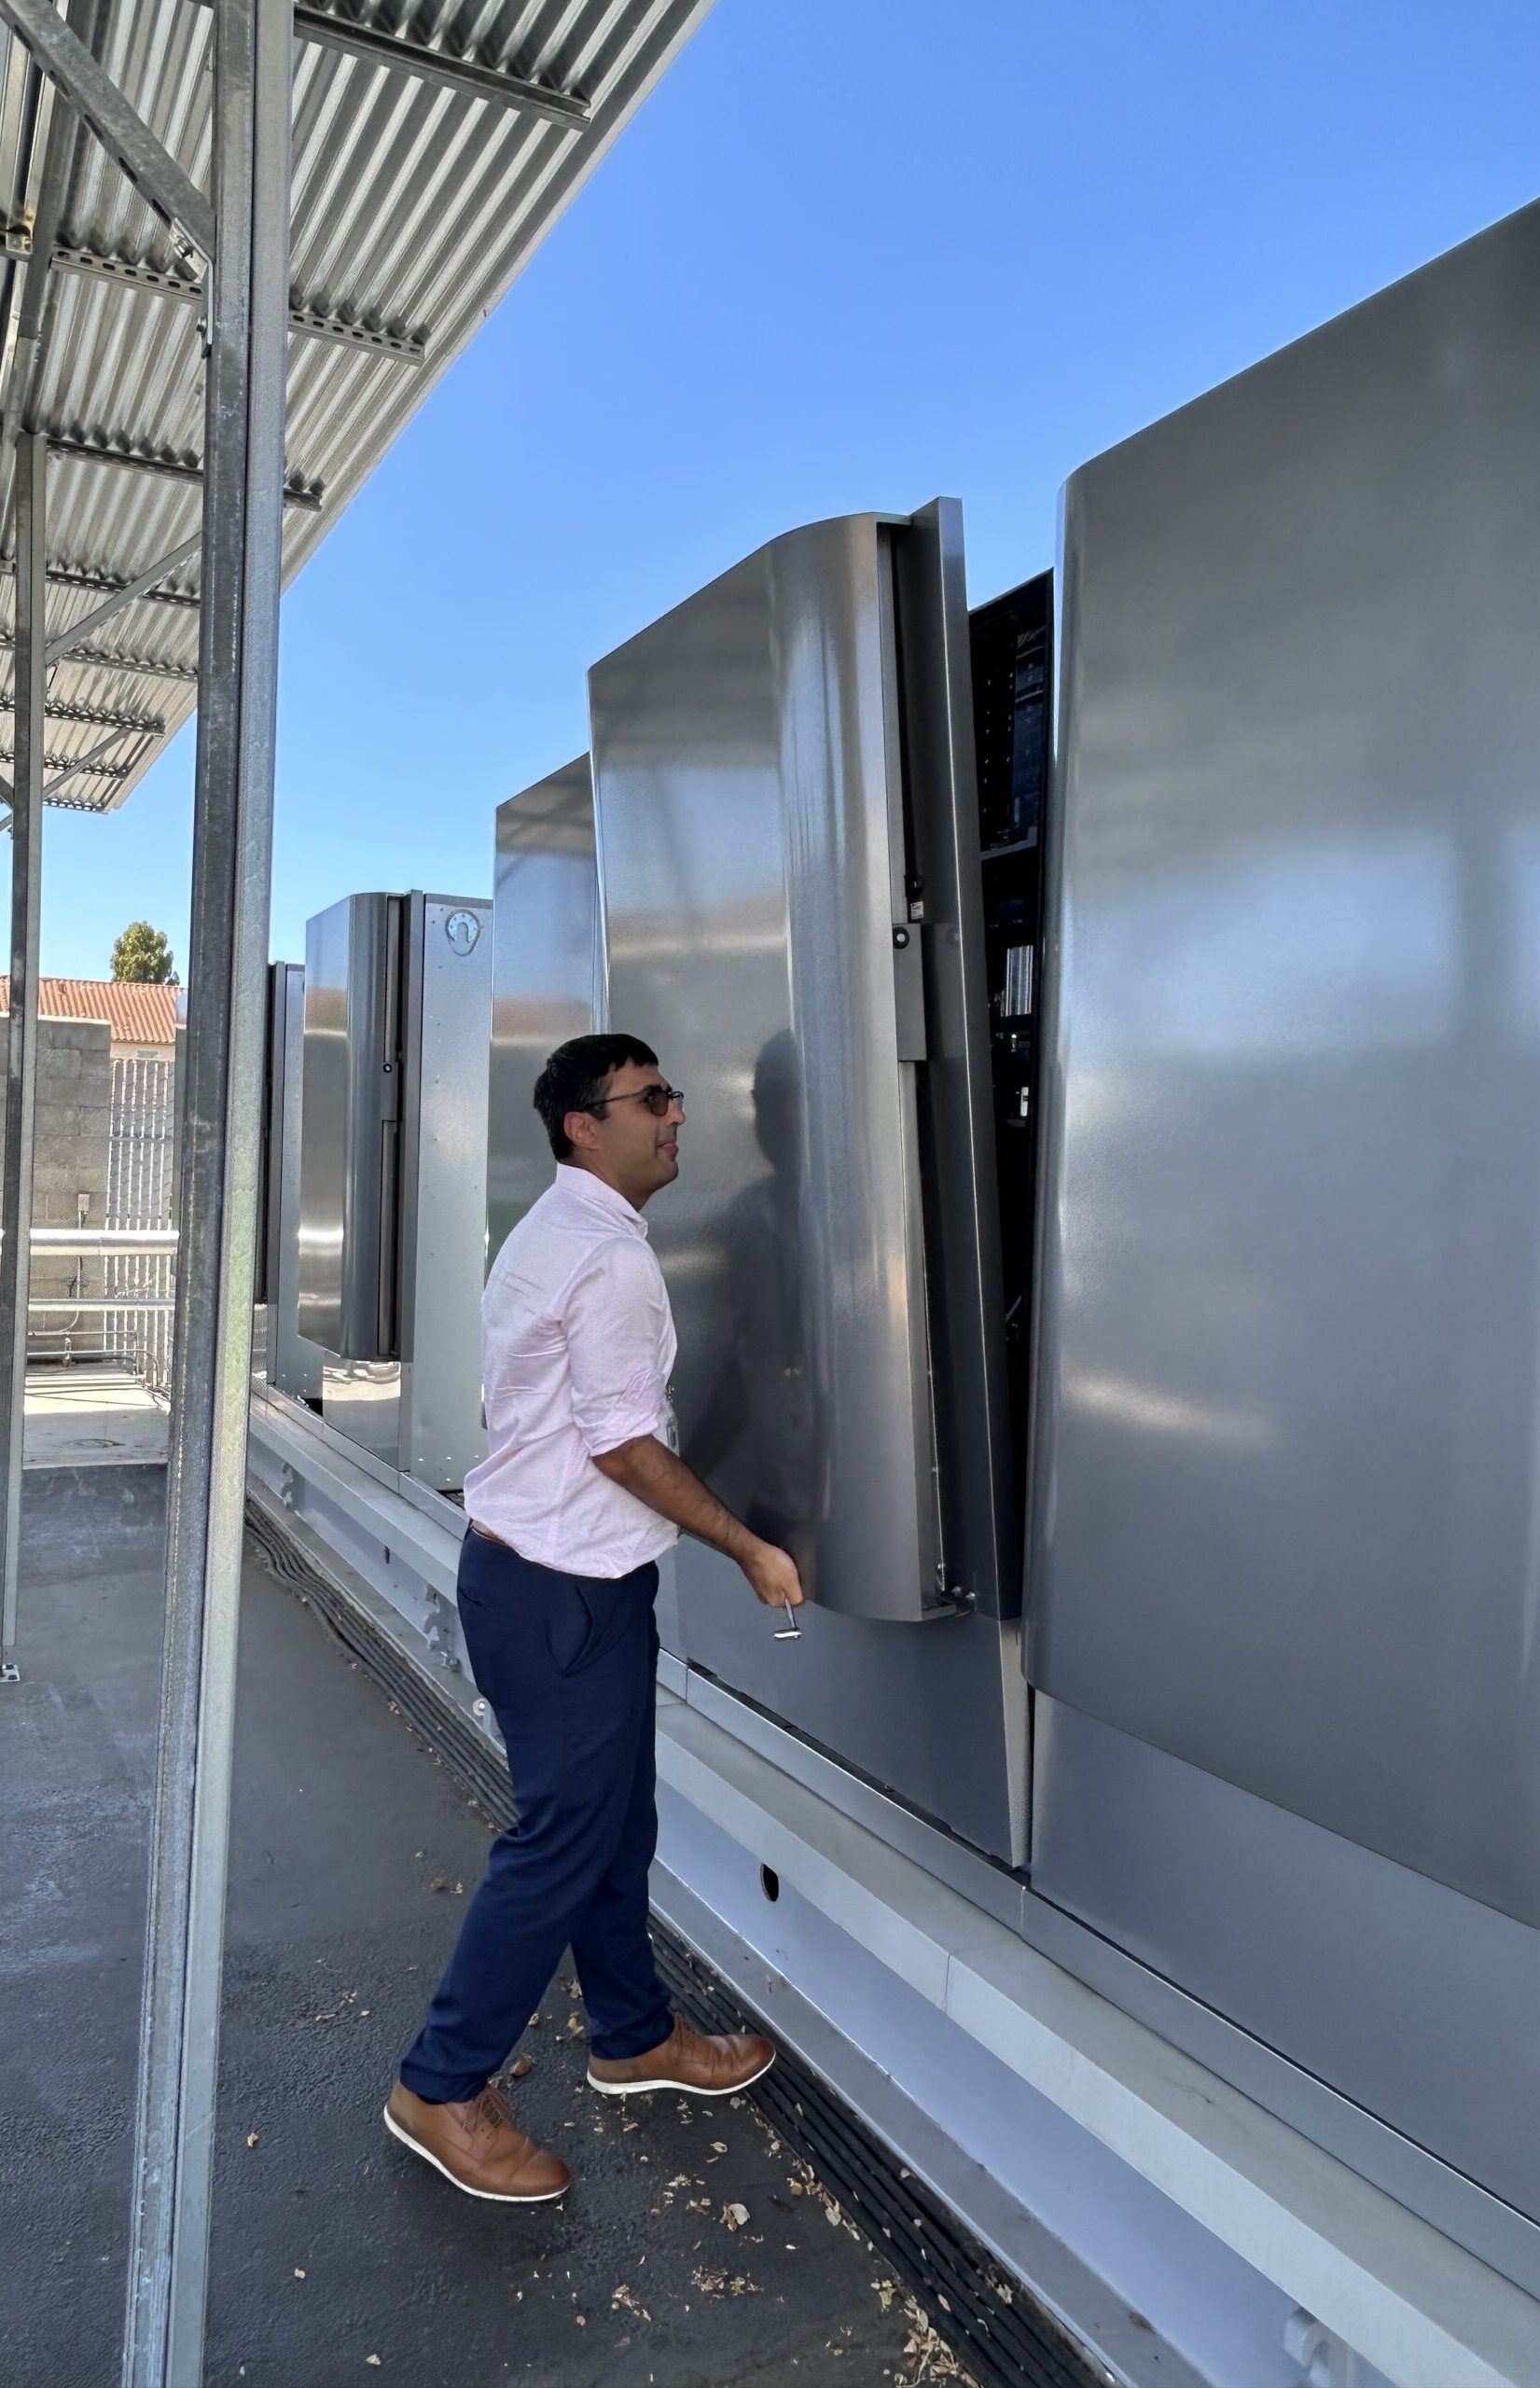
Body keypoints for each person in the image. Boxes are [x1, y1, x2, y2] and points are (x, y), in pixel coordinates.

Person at [384, 1033, 806, 2203]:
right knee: (561, 1844)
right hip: (558, 1592)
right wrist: (749, 1543)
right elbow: (620, 1444)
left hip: (562, 1585)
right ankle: (443, 2084)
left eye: (672, 1094)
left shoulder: (563, 1230)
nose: (677, 1115)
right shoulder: (608, 1260)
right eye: (652, 1099)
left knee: (614, 1825)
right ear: (584, 1122)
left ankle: (634, 2034)